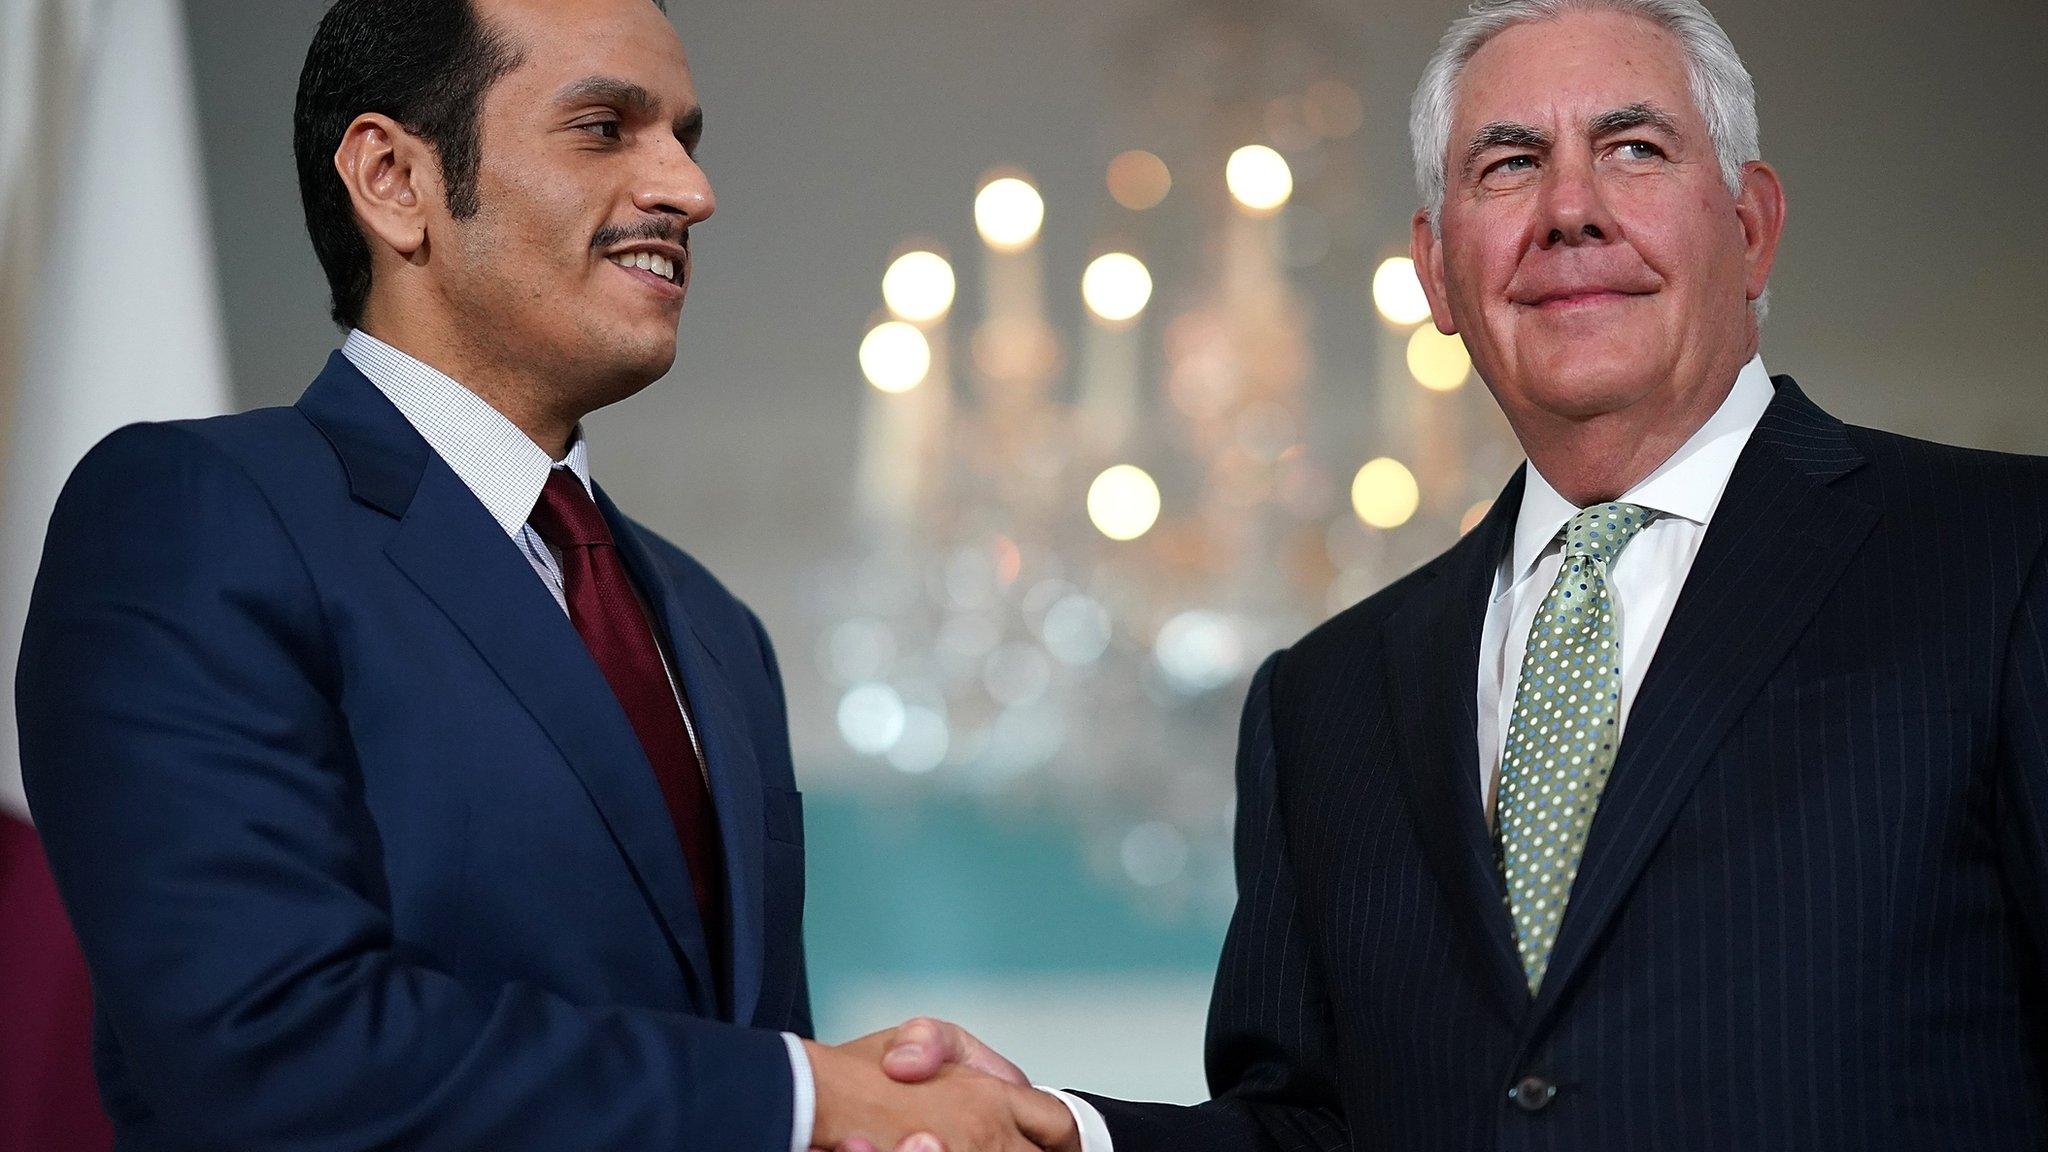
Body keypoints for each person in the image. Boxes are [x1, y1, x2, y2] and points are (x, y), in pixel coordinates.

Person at [854, 1, 2048, 1149]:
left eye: (1631, 147)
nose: (1569, 208)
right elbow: (1310, 1126)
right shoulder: (1320, 700)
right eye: (1508, 165)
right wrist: (1069, 1139)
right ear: (1434, 269)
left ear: (1749, 228)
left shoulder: (2000, 555)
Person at [13, 0, 1074, 1149]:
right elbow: (270, 1047)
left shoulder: (716, 631)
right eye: (605, 128)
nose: (688, 189)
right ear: (393, 180)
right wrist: (807, 1096)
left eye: (684, 137)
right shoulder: (196, 512)